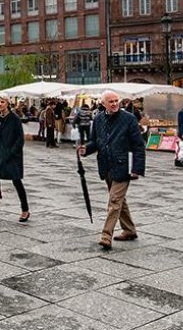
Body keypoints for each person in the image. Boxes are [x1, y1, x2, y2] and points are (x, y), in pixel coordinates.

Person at [79, 90, 146, 250]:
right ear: (103, 104)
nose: (115, 104)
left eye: (117, 101)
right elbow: (95, 141)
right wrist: (85, 149)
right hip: (106, 165)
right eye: (111, 101)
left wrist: (137, 168)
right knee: (119, 201)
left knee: (114, 201)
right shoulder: (98, 119)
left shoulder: (129, 119)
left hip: (124, 166)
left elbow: (138, 146)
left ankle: (106, 235)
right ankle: (129, 230)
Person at [0, 95, 30, 225]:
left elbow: (20, 139)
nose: (0, 104)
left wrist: (10, 153)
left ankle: (25, 210)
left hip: (11, 157)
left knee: (17, 182)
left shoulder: (14, 119)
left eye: (2, 102)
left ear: (7, 103)